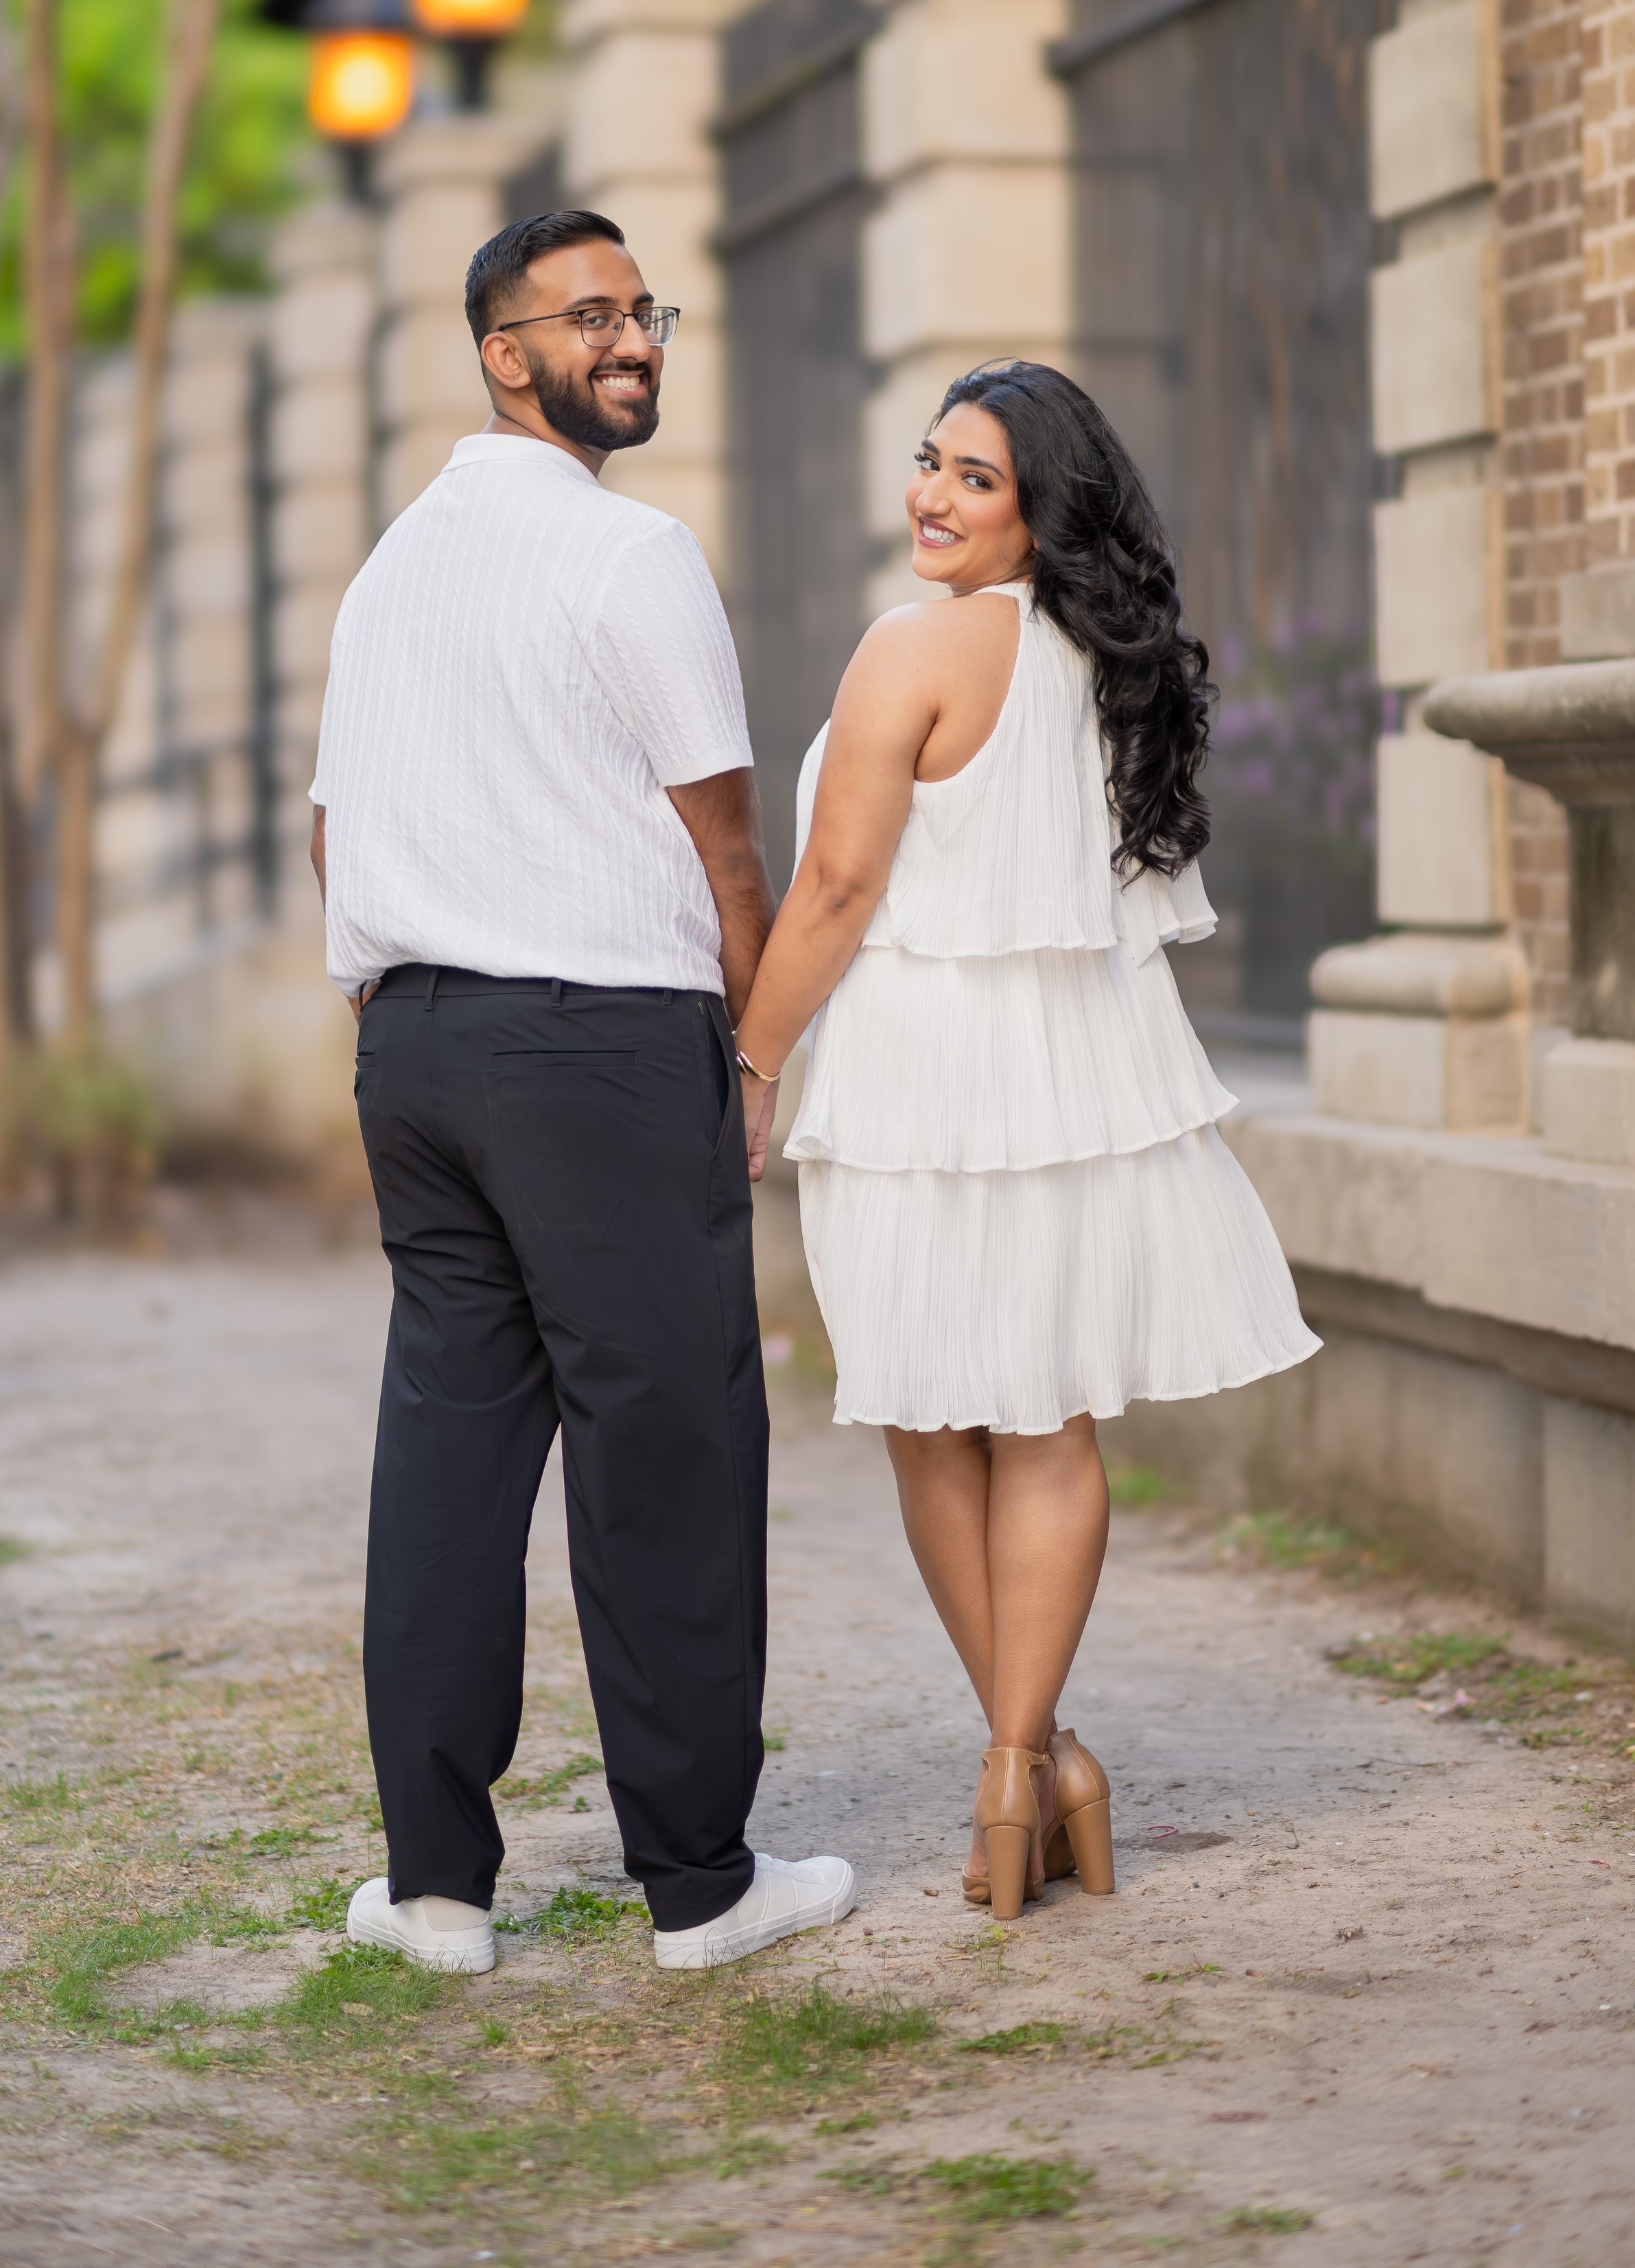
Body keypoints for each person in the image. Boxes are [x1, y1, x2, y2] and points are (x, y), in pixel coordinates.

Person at [308, 209, 854, 1974]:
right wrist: (749, 1048)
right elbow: (724, 841)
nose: (631, 340)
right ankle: (698, 1888)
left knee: (449, 1455)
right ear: (498, 348)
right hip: (603, 1050)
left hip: (418, 1047)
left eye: (645, 311)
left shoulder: (391, 567)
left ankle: (436, 1893)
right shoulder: (632, 558)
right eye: (589, 315)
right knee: (666, 1445)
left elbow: (330, 830)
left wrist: (402, 1030)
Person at [731, 360, 1319, 1924]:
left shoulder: (910, 648)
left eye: (973, 477)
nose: (929, 493)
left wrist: (749, 1058)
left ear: (1038, 510)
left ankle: (1014, 1768)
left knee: (937, 1426)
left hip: (919, 1088)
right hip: (1070, 1084)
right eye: (927, 462)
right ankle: (1035, 1761)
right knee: (1045, 1428)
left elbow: (838, 891)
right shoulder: (1109, 668)